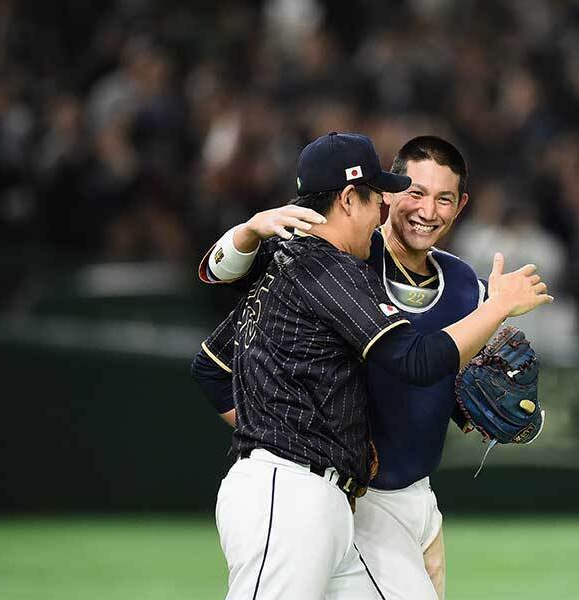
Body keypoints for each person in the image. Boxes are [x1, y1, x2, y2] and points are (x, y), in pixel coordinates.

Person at [192, 132, 552, 599]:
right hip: (333, 494)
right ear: (380, 195)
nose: (426, 209)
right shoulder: (333, 263)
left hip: (374, 494)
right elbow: (212, 356)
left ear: (460, 206)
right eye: (413, 192)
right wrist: (282, 439)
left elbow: (437, 382)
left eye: (443, 198)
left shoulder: (463, 284)